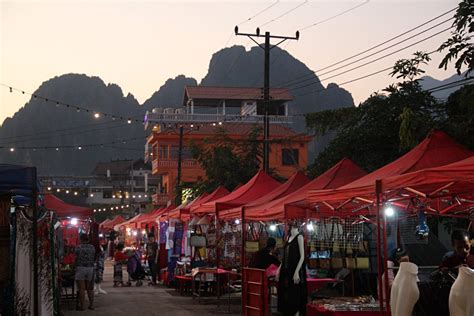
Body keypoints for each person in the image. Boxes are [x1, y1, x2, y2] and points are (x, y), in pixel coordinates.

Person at [74, 233, 96, 311]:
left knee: (81, 288)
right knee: (90, 288)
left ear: (81, 239)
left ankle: (82, 306)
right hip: (90, 268)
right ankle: (91, 305)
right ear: (88, 239)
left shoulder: (78, 247)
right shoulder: (92, 247)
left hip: (81, 268)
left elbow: (75, 258)